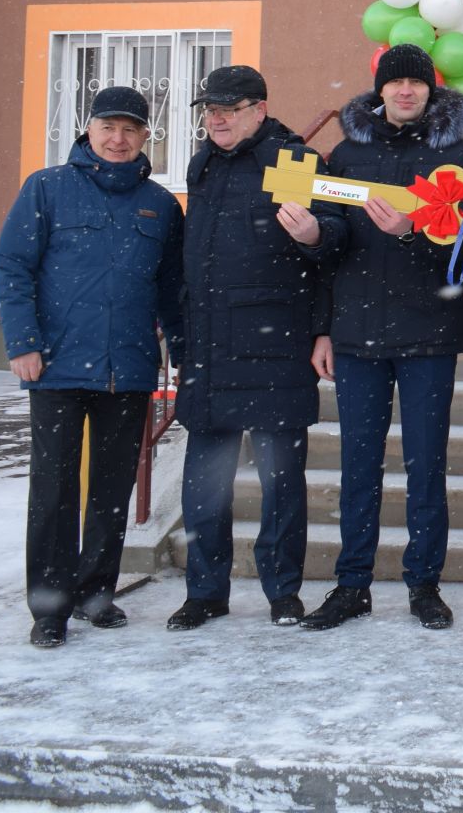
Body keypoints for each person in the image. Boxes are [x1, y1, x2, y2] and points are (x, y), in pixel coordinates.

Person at [298, 44, 463, 632]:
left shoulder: (460, 158)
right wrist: (312, 239)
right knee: (358, 465)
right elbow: (331, 239)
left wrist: (416, 231)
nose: (405, 91)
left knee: (426, 464)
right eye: (395, 82)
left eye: (416, 82)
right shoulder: (346, 154)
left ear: (431, 90)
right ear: (378, 89)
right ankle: (351, 585)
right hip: (356, 335)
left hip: (428, 331)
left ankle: (423, 585)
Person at [0, 86, 185, 649]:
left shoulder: (160, 205)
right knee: (53, 490)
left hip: (127, 371)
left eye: (131, 129)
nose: (118, 139)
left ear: (147, 137)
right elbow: (11, 265)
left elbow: (172, 292)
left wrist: (183, 355)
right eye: (109, 128)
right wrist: (23, 341)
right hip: (54, 367)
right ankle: (49, 606)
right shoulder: (47, 189)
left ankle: (96, 592)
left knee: (110, 488)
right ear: (89, 130)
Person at [167, 66, 336, 632]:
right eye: (209, 109)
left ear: (259, 110)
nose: (215, 118)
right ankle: (205, 591)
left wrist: (316, 240)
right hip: (210, 347)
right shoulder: (205, 164)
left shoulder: (293, 163)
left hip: (274, 345)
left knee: (281, 483)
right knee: (203, 484)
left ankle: (283, 592)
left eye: (229, 108)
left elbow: (330, 243)